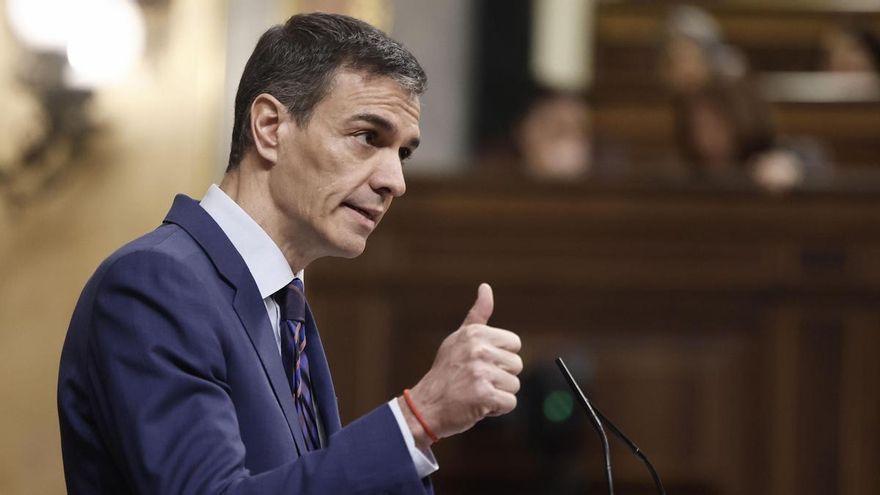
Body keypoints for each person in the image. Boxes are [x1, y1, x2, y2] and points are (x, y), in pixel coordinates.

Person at [57, 13, 523, 494]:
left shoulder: (285, 307)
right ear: (269, 127)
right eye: (368, 137)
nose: (395, 181)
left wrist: (421, 434)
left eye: (402, 153)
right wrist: (416, 418)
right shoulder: (155, 283)